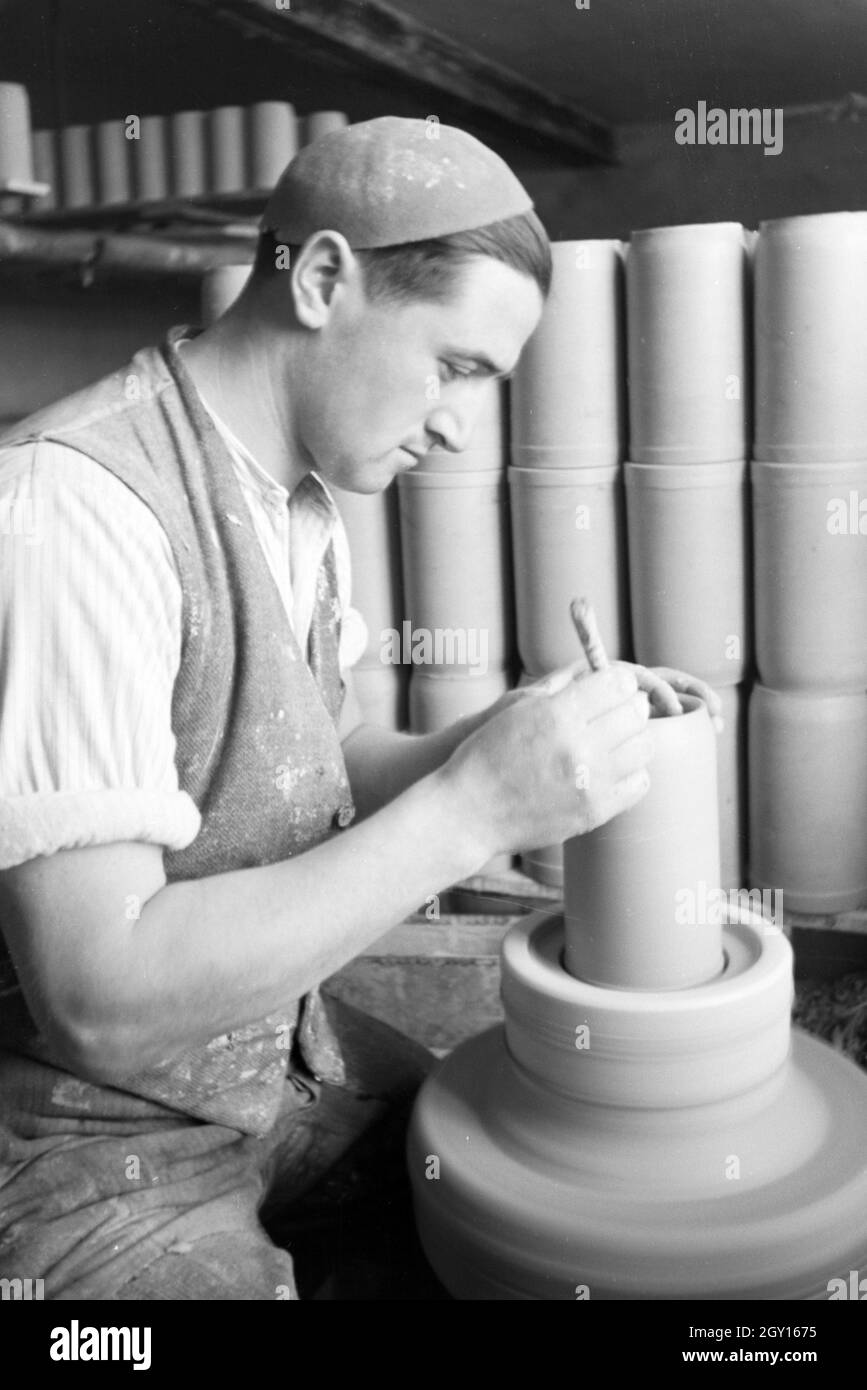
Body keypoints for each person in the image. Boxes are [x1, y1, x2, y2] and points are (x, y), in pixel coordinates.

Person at [0, 116, 718, 1299]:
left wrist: (486, 748)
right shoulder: (75, 513)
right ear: (325, 278)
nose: (457, 427)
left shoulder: (297, 496)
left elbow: (312, 754)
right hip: (77, 1146)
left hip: (263, 1067)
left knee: (495, 1155)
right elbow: (99, 1000)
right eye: (456, 368)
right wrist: (473, 812)